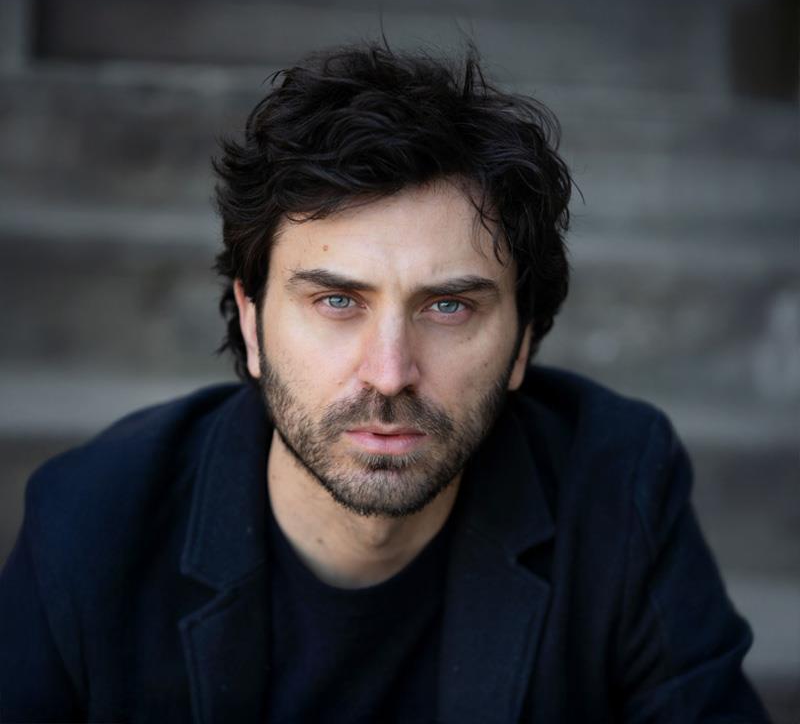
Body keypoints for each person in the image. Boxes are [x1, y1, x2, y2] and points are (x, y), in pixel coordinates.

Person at [0, 43, 771, 723]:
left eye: (448, 306)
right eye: (338, 301)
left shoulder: (616, 488)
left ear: (524, 342)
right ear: (253, 321)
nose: (390, 373)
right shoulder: (93, 523)